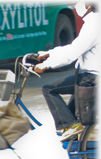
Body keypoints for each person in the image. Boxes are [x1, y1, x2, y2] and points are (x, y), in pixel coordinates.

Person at [34, 2, 99, 141]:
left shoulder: (94, 23)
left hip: (90, 76)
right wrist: (49, 54)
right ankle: (72, 146)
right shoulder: (95, 20)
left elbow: (74, 51)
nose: (79, 5)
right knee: (70, 116)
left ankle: (71, 129)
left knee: (49, 89)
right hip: (89, 75)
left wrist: (46, 65)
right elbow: (74, 46)